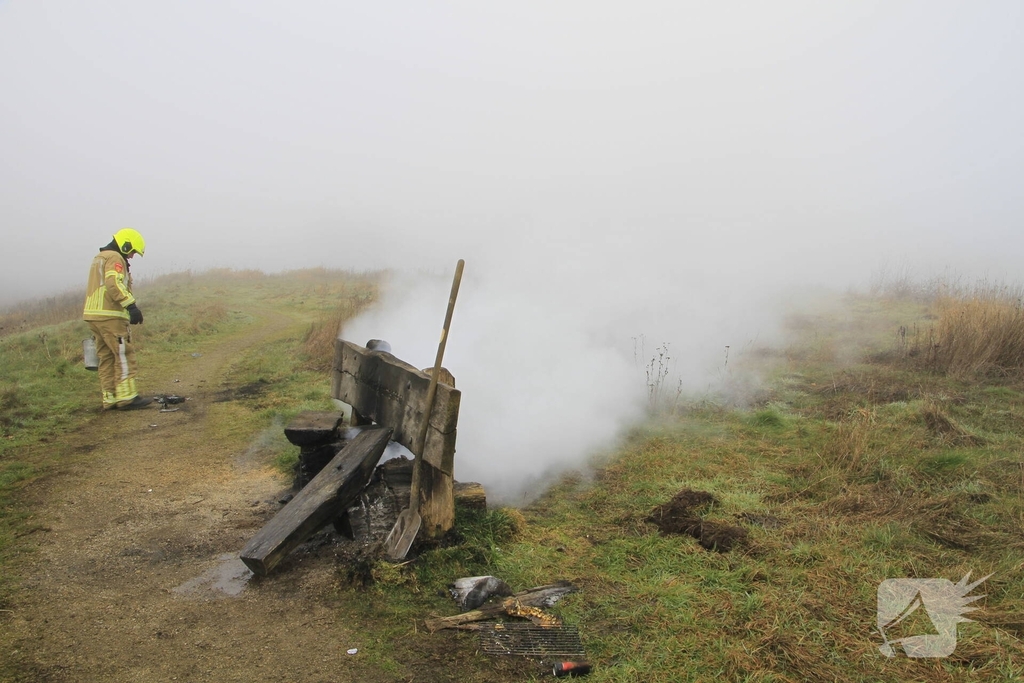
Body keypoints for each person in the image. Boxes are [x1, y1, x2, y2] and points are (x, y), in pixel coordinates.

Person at [82, 228, 152, 410]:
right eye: (132, 251)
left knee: (106, 357)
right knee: (123, 353)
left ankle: (110, 397)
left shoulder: (100, 257)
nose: (131, 256)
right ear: (125, 244)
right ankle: (128, 397)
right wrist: (131, 305)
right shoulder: (114, 258)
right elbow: (114, 284)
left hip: (94, 316)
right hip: (110, 315)